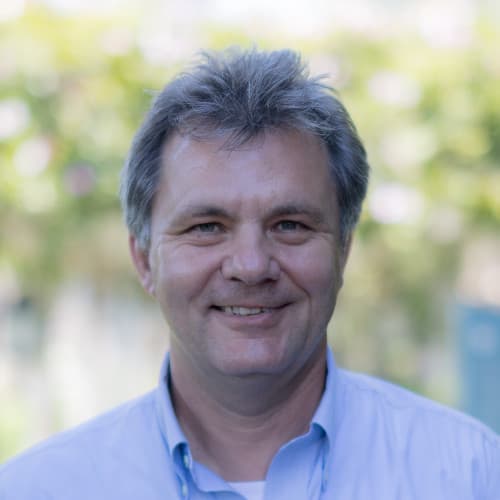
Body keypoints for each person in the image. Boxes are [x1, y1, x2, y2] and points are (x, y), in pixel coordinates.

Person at [0, 48, 499, 500]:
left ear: (343, 250)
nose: (252, 265)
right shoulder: (38, 490)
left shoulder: (471, 475)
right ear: (144, 259)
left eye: (290, 225)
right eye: (207, 227)